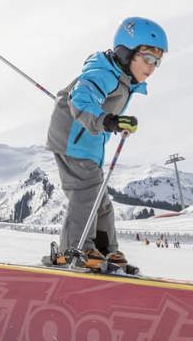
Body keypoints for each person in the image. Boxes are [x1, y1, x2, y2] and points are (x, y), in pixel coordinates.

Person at [46, 17, 168, 267]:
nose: (152, 66)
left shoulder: (122, 81)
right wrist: (109, 120)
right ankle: (74, 250)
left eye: (158, 61)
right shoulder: (103, 74)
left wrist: (114, 122)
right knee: (87, 191)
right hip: (72, 138)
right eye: (148, 58)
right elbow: (80, 99)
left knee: (101, 200)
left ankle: (105, 250)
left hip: (88, 144)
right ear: (126, 52)